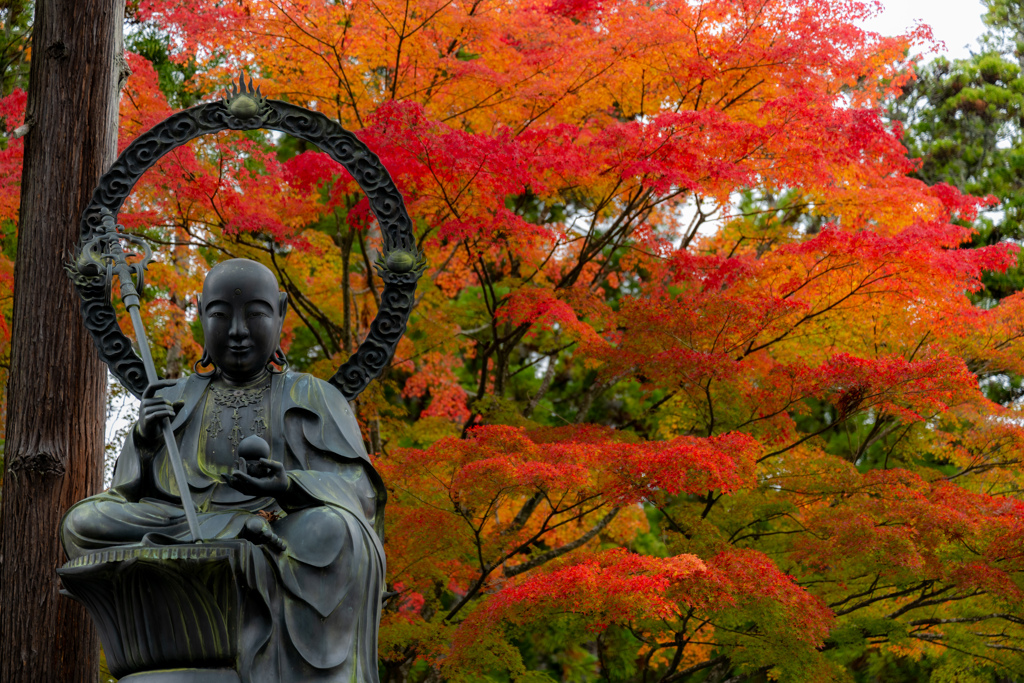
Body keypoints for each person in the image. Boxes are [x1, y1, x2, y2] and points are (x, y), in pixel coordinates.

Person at [61, 258, 385, 683]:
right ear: (199, 312)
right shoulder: (172, 397)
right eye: (220, 315)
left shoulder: (312, 394)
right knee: (81, 522)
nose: (237, 331)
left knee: (333, 529)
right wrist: (144, 442)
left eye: (255, 314)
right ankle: (235, 536)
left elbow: (360, 493)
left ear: (281, 312)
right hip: (183, 521)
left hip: (277, 523)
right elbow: (126, 496)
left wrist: (289, 484)